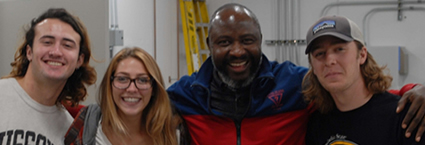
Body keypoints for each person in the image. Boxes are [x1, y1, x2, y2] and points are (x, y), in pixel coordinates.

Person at [167, 3, 425, 145]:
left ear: (260, 42)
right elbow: (144, 100)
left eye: (247, 40)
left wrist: (414, 90)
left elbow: (357, 94)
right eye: (224, 42)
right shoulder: (189, 93)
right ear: (210, 44)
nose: (237, 51)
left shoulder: (293, 84)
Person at [303, 15, 425, 144]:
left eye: (339, 49)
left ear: (362, 55)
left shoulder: (406, 116)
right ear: (313, 67)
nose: (330, 61)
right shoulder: (317, 124)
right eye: (320, 53)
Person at [0, 8, 96, 144]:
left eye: (67, 45)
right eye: (47, 42)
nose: (56, 52)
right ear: (29, 52)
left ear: (79, 60)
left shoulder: (69, 130)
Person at [64, 47, 179, 145]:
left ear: (154, 88)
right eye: (122, 79)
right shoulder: (88, 126)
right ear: (110, 85)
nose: (132, 89)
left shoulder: (172, 134)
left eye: (142, 80)